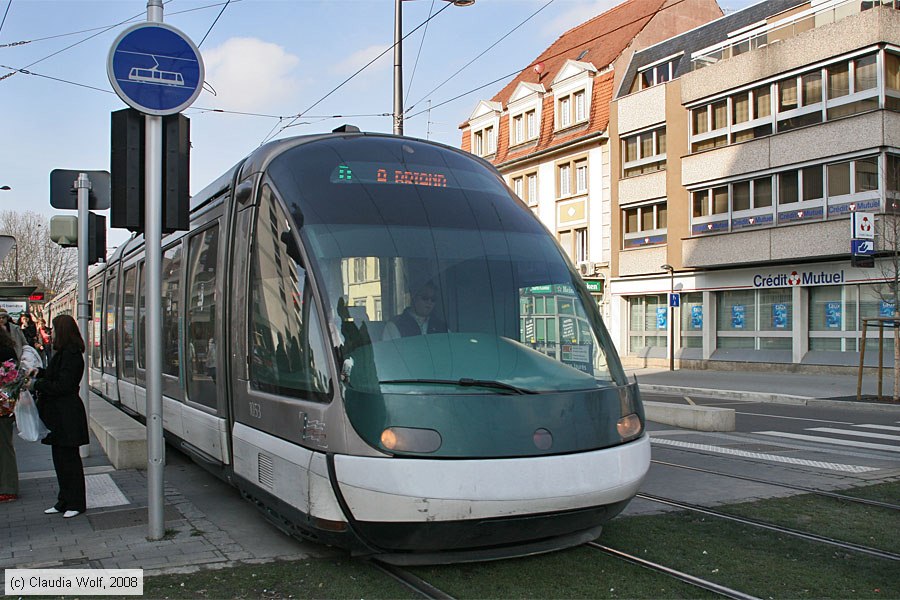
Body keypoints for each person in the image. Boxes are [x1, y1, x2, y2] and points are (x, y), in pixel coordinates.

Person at [29, 315, 88, 519]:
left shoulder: (71, 354)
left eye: (53, 329)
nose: (51, 332)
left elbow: (64, 385)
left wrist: (37, 385)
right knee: (60, 459)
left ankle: (76, 502)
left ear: (62, 330)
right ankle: (64, 501)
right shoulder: (64, 352)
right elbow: (57, 376)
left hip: (67, 414)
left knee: (69, 461)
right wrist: (39, 373)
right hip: (60, 415)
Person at [382, 280, 448, 340]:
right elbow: (391, 352)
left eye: (433, 299)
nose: (429, 302)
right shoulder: (395, 326)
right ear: (413, 297)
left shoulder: (441, 327)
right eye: (425, 297)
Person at [0, 327, 20, 502]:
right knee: (5, 445)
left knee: (4, 446)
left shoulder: (4, 352)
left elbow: (10, 377)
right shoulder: (8, 350)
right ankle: (7, 485)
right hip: (5, 405)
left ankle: (8, 487)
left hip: (2, 406)